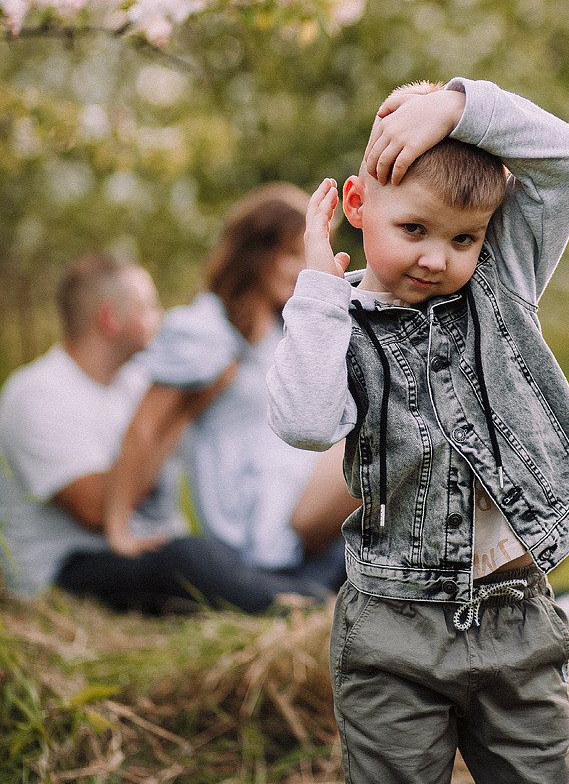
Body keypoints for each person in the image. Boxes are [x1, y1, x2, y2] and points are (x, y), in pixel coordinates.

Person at [266, 77, 569, 784]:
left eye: (464, 237)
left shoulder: (501, 286)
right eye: (412, 229)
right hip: (392, 633)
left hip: (514, 619)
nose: (437, 257)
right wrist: (316, 289)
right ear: (357, 206)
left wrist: (458, 106)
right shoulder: (338, 324)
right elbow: (306, 424)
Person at [0, 253, 331, 612]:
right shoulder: (37, 394)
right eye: (148, 307)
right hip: (71, 567)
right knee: (186, 558)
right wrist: (183, 412)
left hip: (149, 548)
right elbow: (96, 510)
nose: (161, 318)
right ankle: (307, 605)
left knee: (227, 551)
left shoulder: (135, 382)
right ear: (110, 318)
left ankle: (315, 590)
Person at [104, 183, 357, 597]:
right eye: (293, 254)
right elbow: (145, 429)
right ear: (256, 254)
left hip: (295, 486)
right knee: (390, 437)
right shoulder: (205, 329)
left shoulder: (276, 330)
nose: (304, 268)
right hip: (259, 514)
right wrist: (119, 530)